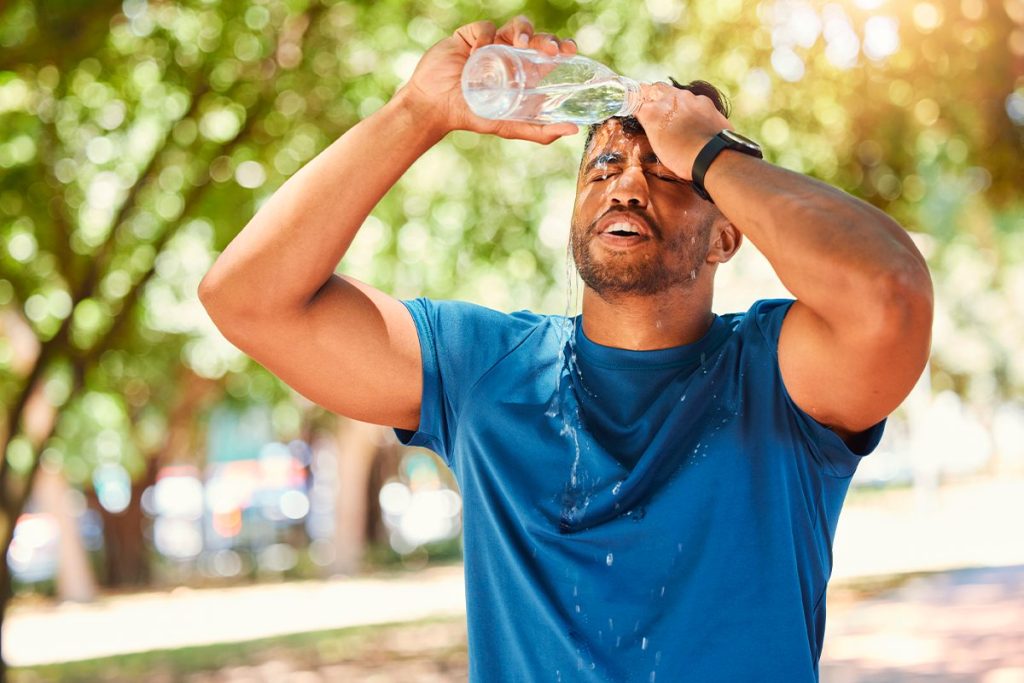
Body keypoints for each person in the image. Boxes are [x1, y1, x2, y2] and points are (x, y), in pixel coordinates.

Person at [198, 15, 933, 682]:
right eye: (604, 167)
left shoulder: (780, 374)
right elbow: (246, 298)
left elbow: (889, 296)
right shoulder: (483, 368)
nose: (627, 185)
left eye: (668, 171)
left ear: (728, 233)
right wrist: (415, 114)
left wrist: (708, 150)